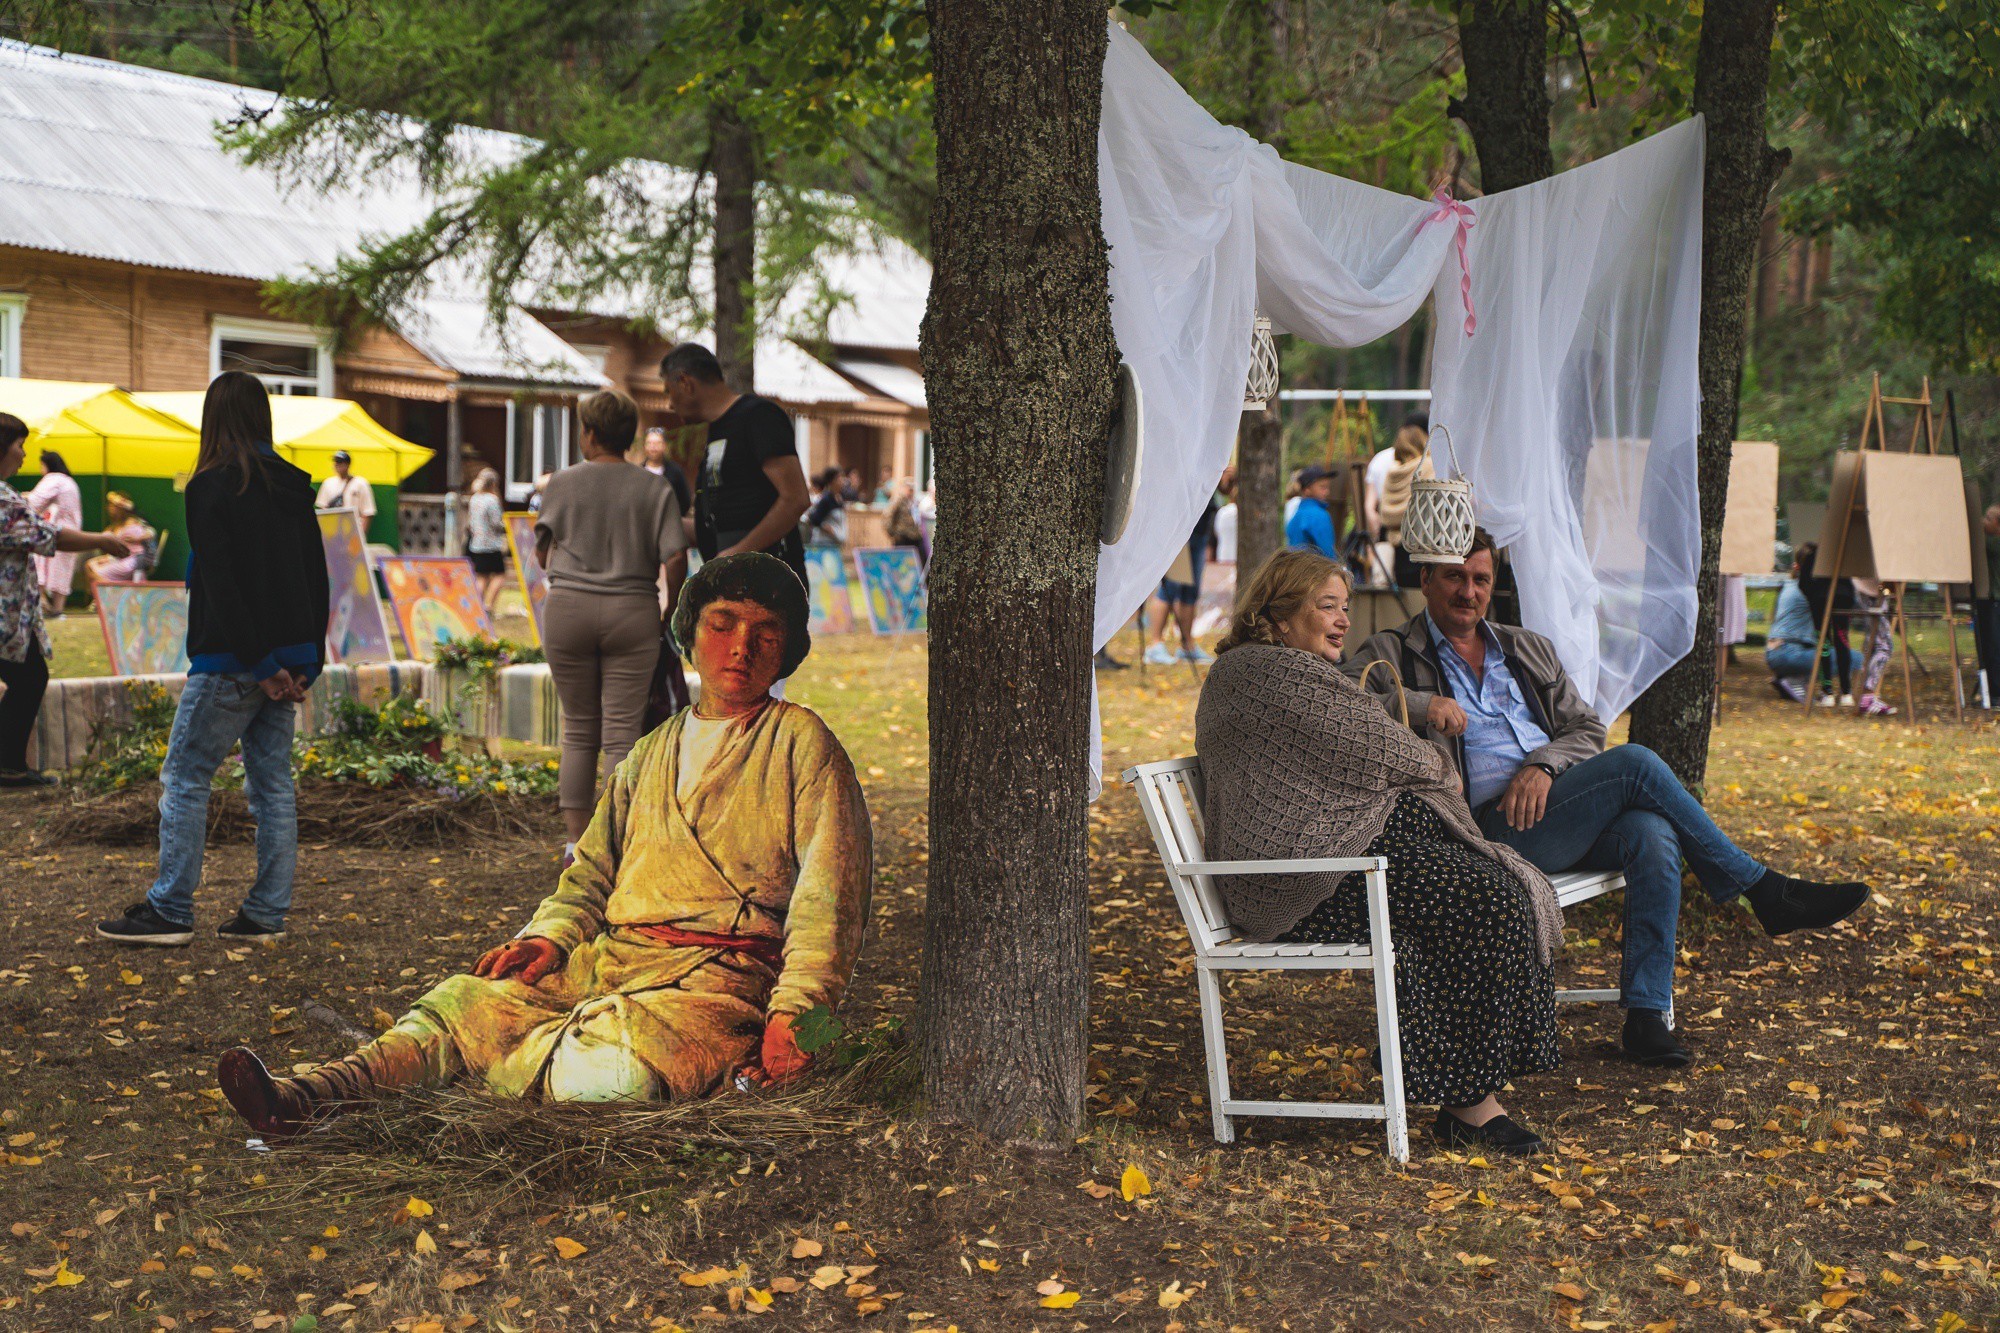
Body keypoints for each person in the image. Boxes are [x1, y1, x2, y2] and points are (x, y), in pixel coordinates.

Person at [215, 553, 873, 1135]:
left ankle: (516, 1071)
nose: (741, 647)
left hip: (713, 987)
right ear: (689, 633)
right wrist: (551, 936)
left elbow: (827, 901)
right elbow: (589, 873)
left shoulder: (802, 744)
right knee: (463, 1004)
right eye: (723, 623)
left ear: (787, 651)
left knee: (603, 1078)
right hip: (609, 961)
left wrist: (796, 1012)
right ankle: (309, 1096)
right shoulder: (651, 751)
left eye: (767, 633)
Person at [1345, 531, 1872, 1067]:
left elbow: (1585, 728)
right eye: (1456, 577)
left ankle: (1647, 1016)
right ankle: (1761, 889)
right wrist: (1419, 702)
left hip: (1556, 812)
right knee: (1636, 762)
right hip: (1482, 830)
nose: (1469, 592)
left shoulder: (1524, 648)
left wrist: (1544, 764)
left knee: (1652, 833)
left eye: (1481, 579)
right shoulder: (1393, 651)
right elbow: (1340, 703)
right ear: (1426, 579)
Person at [1198, 549, 1564, 1155]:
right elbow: (1388, 749)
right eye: (1327, 608)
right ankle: (1470, 1107)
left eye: (1345, 607)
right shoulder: (1267, 675)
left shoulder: (1283, 671)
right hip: (1303, 881)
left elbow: (1359, 744)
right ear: (1282, 613)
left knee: (1499, 885)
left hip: (1341, 861)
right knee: (1488, 897)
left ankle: (1452, 1080)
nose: (1343, 621)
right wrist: (1433, 765)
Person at [95, 373, 329, 943]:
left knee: (185, 777)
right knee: (272, 785)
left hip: (232, 660)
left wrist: (260, 662)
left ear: (212, 419)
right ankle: (265, 914)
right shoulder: (295, 484)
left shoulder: (210, 485)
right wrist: (304, 661)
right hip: (288, 660)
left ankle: (170, 909)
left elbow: (221, 583)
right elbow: (318, 578)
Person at [535, 389, 689, 860]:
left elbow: (543, 548)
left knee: (579, 727)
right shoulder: (654, 487)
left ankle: (575, 844)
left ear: (591, 432)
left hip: (569, 611)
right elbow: (677, 555)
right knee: (622, 733)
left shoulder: (560, 483)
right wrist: (668, 609)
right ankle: (615, 842)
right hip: (632, 611)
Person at [0, 416, 131, 788]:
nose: (23, 454)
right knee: (29, 677)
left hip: (10, 611)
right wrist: (102, 540)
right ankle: (7, 765)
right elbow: (47, 534)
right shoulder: (3, 498)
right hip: (4, 617)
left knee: (28, 676)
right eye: (18, 445)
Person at [660, 343, 810, 587]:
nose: (669, 404)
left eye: (669, 391)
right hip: (732, 580)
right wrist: (661, 522)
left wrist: (738, 552)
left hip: (769, 580)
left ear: (685, 383)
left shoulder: (758, 416)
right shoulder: (716, 431)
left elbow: (796, 499)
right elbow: (724, 522)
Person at [1145, 494, 1219, 666]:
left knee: (1190, 591)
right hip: (1179, 526)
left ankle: (1187, 647)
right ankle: (1155, 646)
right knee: (1170, 586)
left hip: (1200, 528)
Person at [25, 451, 82, 617]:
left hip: (57, 532)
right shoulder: (69, 481)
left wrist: (18, 498)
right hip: (73, 532)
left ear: (47, 465)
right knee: (63, 570)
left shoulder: (53, 479)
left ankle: (41, 603)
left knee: (37, 563)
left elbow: (34, 502)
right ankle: (57, 610)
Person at [84, 491, 156, 593]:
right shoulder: (114, 526)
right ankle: (101, 598)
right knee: (89, 565)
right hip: (119, 558)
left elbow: (150, 533)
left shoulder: (132, 523)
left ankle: (113, 596)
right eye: (110, 505)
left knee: (98, 572)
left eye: (114, 506)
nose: (110, 508)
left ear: (122, 508)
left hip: (133, 561)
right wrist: (108, 557)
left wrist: (139, 538)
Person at [463, 468, 509, 612]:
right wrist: (507, 526)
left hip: (476, 543)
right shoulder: (492, 500)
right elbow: (496, 523)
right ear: (494, 483)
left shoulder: (474, 498)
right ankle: (489, 606)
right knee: (500, 576)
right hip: (491, 545)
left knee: (481, 577)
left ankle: (477, 606)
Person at [1974, 505, 2000, 706]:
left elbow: (1978, 541)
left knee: (1992, 647)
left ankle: (1995, 691)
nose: (1984, 521)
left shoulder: (1994, 543)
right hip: (1989, 600)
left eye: (1988, 518)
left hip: (1993, 601)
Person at [640, 426, 694, 518]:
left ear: (664, 445)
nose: (653, 447)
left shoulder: (675, 472)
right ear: (644, 446)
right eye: (649, 443)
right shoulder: (639, 472)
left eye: (657, 443)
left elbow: (685, 501)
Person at [1284, 465, 1337, 558]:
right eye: (1322, 487)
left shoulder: (1296, 515)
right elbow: (1328, 555)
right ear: (1307, 490)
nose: (1327, 492)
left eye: (1327, 487)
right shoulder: (1319, 515)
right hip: (1315, 570)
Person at [314, 449, 376, 522]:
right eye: (335, 461)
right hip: (333, 527)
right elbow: (323, 508)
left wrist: (361, 532)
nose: (337, 464)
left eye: (340, 462)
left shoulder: (361, 483)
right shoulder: (328, 483)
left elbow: (368, 512)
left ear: (348, 464)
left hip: (353, 526)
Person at [885, 477, 926, 566]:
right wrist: (893, 533)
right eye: (909, 488)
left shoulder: (915, 502)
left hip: (915, 536)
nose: (911, 491)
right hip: (902, 536)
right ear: (903, 488)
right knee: (900, 562)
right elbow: (887, 517)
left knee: (920, 560)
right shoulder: (897, 501)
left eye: (912, 489)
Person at [803, 467, 848, 547]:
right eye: (839, 478)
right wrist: (829, 529)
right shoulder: (826, 499)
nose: (842, 480)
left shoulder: (839, 498)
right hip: (824, 544)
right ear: (832, 481)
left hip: (835, 544)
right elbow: (814, 519)